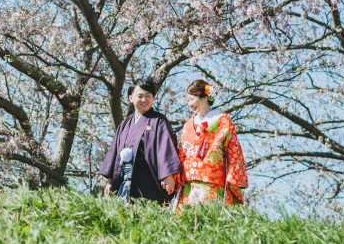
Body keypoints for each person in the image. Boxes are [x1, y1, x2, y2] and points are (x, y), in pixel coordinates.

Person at [100, 79, 181, 205]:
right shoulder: (124, 125)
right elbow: (115, 154)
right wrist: (110, 181)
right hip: (124, 181)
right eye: (140, 96)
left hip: (147, 181)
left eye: (148, 96)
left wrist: (167, 175)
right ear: (130, 98)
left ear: (153, 98)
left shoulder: (158, 121)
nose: (144, 100)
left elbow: (165, 149)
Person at [173, 79, 248, 211]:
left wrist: (233, 179)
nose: (189, 104)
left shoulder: (223, 122)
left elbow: (234, 152)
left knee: (211, 220)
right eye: (188, 100)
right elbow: (182, 153)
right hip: (189, 183)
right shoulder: (188, 124)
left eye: (192, 99)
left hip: (215, 182)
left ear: (205, 97)